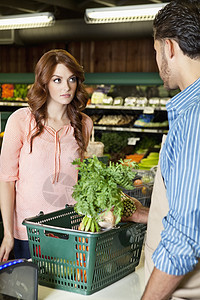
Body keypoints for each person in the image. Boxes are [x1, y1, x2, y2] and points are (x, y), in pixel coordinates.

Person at [123, 1, 200, 299]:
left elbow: (184, 238)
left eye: (155, 51)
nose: (157, 61)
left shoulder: (193, 117)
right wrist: (145, 214)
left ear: (169, 47)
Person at [0, 49, 93, 261]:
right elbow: (6, 180)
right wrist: (8, 234)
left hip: (70, 229)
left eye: (72, 79)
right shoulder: (21, 121)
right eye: (57, 80)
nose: (66, 87)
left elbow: (78, 178)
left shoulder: (84, 124)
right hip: (28, 232)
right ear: (44, 82)